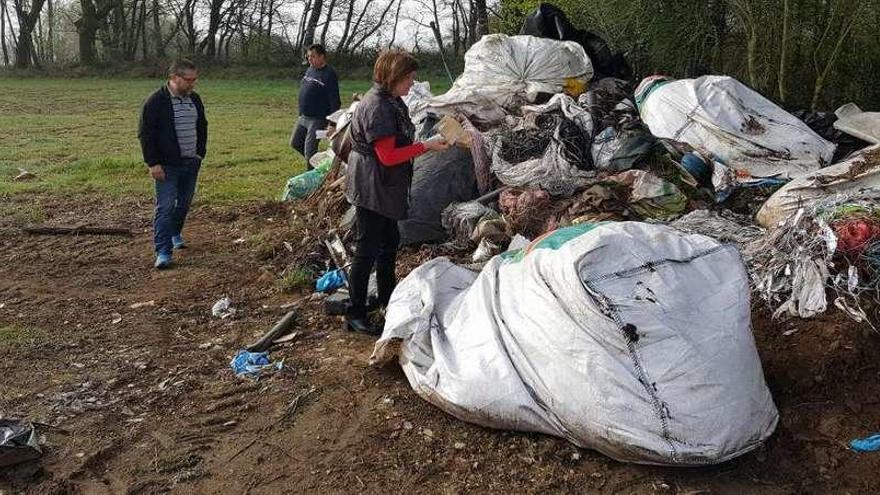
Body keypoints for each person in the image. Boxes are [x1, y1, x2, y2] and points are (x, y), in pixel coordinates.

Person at [344, 49, 449, 335]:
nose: (411, 85)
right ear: (392, 77)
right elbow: (388, 156)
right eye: (408, 79)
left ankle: (386, 300)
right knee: (367, 249)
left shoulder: (390, 100)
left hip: (383, 185)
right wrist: (427, 146)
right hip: (372, 185)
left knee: (388, 243)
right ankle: (355, 312)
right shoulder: (378, 107)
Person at [138, 59, 208, 269]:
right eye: (189, 80)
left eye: (195, 80)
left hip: (191, 162)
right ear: (175, 78)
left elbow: (202, 125)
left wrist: (199, 153)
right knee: (166, 206)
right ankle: (163, 251)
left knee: (184, 203)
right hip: (167, 165)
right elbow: (145, 134)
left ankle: (175, 232)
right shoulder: (156, 101)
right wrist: (153, 164)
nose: (193, 84)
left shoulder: (194, 99)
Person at [290, 44, 341, 168]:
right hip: (303, 117)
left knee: (309, 152)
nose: (309, 60)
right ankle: (321, 164)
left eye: (313, 56)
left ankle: (311, 179)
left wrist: (332, 125)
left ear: (322, 56)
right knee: (295, 143)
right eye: (308, 57)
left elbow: (335, 101)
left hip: (317, 119)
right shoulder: (310, 70)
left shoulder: (329, 74)